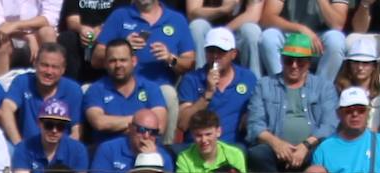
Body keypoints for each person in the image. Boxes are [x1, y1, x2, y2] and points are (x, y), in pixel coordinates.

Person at [244, 31, 338, 173]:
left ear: (309, 63)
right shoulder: (264, 84)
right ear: (281, 60)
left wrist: (306, 144)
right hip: (276, 148)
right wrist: (275, 143)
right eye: (288, 60)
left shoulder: (324, 87)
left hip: (311, 148)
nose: (294, 65)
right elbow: (255, 125)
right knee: (257, 154)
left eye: (300, 61)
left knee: (328, 152)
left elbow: (330, 124)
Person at [92, 0, 195, 139]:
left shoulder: (176, 19)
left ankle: (165, 149)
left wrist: (171, 58)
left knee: (168, 94)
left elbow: (190, 63)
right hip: (119, 85)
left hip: (158, 89)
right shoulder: (120, 16)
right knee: (87, 90)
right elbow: (96, 59)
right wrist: (123, 46)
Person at [81, 38, 167, 149]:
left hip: (145, 150)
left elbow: (159, 125)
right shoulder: (95, 90)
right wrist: (141, 124)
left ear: (134, 61)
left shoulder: (151, 88)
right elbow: (99, 123)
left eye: (123, 60)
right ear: (105, 63)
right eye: (113, 61)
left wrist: (114, 124)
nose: (118, 65)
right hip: (107, 154)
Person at [176, 26, 256, 140]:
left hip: (235, 149)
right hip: (200, 148)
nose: (215, 56)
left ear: (233, 54)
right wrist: (207, 94)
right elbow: (183, 124)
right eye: (211, 50)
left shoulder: (248, 78)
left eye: (221, 51)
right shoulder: (192, 79)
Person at [88, 107, 173, 173]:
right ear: (130, 128)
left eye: (153, 132)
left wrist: (154, 160)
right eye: (141, 130)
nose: (146, 136)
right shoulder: (109, 149)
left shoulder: (163, 157)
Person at [0, 42, 82, 144]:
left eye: (54, 67)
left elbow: (76, 131)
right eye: (44, 65)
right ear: (35, 64)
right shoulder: (23, 81)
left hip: (59, 150)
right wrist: (18, 145)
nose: (49, 72)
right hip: (26, 147)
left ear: (63, 69)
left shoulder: (73, 89)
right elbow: (6, 109)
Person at [12, 96, 89, 173]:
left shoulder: (78, 149)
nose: (54, 130)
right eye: (49, 125)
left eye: (60, 126)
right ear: (39, 123)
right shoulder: (24, 147)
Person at [259, 0, 348, 80]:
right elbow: (267, 18)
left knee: (336, 40)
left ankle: (320, 92)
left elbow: (337, 25)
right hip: (290, 36)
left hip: (318, 43)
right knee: (269, 36)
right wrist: (300, 29)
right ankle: (280, 88)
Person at [175, 108, 247, 173]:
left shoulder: (235, 155)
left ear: (218, 132)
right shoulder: (184, 158)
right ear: (192, 135)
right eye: (198, 135)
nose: (204, 140)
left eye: (208, 134)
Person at [186, 0, 263, 77]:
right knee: (197, 26)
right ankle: (200, 78)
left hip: (236, 32)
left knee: (251, 31)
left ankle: (254, 81)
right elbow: (192, 13)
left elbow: (253, 15)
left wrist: (223, 33)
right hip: (208, 31)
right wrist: (223, 9)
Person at [0, 0, 61, 77]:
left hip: (37, 36)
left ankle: (48, 82)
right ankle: (1, 85)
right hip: (11, 37)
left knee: (48, 32)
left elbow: (50, 18)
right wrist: (28, 37)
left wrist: (17, 25)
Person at [333, 33, 380, 129]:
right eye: (356, 63)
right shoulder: (337, 90)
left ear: (374, 66)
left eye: (365, 63)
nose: (360, 68)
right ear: (349, 65)